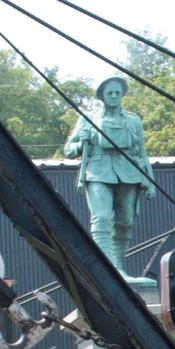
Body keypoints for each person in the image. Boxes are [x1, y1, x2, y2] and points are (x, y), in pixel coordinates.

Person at [62, 76, 155, 272]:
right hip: (98, 171)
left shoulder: (133, 120)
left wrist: (150, 181)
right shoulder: (88, 118)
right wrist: (80, 144)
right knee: (102, 217)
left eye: (117, 93)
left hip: (128, 172)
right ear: (102, 96)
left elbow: (142, 152)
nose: (114, 96)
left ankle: (119, 267)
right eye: (110, 93)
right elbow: (69, 150)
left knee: (125, 221)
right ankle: (108, 269)